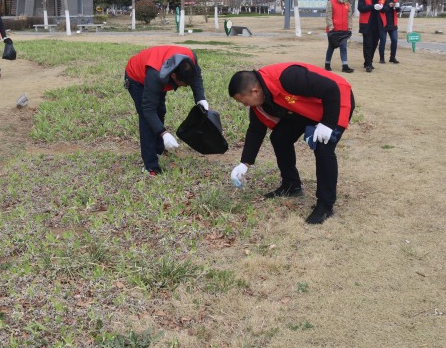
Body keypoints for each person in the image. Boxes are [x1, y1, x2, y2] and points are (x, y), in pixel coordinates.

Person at [228, 63, 355, 224]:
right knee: (280, 137)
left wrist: (328, 123)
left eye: (243, 101)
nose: (245, 105)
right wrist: (244, 163)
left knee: (323, 148)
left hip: (335, 100)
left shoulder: (288, 77)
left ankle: (325, 205)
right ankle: (291, 185)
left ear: (254, 91)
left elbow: (330, 88)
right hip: (304, 109)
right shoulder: (260, 99)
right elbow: (255, 130)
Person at [124, 45, 208, 175]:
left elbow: (196, 78)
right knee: (148, 120)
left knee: (160, 110)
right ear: (173, 75)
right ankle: (150, 166)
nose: (185, 86)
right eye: (183, 84)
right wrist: (164, 133)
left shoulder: (190, 57)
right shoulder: (156, 74)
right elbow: (148, 109)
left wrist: (200, 99)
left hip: (160, 75)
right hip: (137, 79)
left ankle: (159, 149)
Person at [324, 0, 354, 73]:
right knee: (331, 47)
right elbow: (328, 16)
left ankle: (345, 66)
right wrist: (331, 27)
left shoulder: (347, 4)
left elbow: (349, 16)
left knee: (343, 47)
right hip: (333, 30)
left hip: (344, 30)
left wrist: (349, 27)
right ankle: (327, 64)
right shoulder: (331, 2)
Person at [358, 0, 384, 72]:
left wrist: (384, 7)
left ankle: (368, 61)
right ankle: (368, 64)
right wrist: (373, 6)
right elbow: (360, 8)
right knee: (368, 44)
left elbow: (386, 8)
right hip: (367, 24)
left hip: (378, 25)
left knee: (374, 44)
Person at [378, 0, 400, 64]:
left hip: (392, 23)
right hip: (384, 23)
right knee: (383, 41)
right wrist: (388, 6)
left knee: (394, 40)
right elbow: (380, 8)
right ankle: (382, 58)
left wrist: (397, 7)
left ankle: (392, 57)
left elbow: (397, 10)